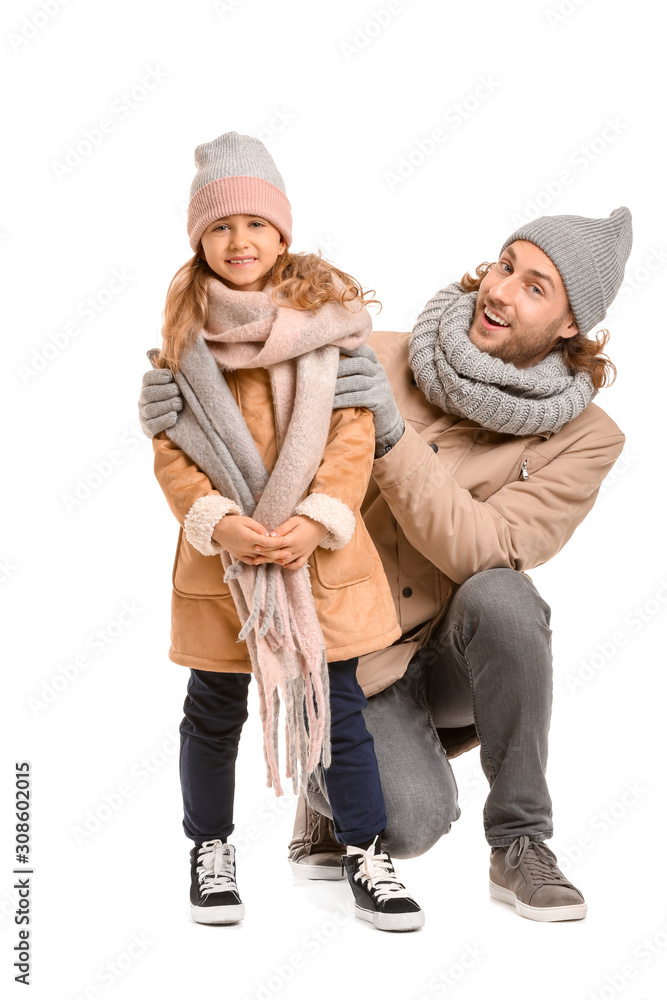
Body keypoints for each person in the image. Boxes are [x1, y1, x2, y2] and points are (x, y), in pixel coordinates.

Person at [140, 198, 631, 923]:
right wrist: (186, 406)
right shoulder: (378, 353)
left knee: (506, 596)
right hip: (351, 649)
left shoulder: (587, 438)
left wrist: (395, 443)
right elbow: (259, 419)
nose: (500, 291)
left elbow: (488, 550)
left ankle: (521, 844)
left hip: (454, 653)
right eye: (505, 265)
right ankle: (333, 790)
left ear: (569, 326)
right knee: (408, 823)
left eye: (535, 287)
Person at [146, 131, 425, 932]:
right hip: (223, 565)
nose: (240, 242)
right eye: (221, 227)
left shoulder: (326, 329)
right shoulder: (181, 341)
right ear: (200, 240)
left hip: (316, 560)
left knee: (339, 707)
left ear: (282, 234)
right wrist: (219, 522)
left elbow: (350, 437)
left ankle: (365, 852)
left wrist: (316, 518)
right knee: (212, 708)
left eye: (256, 225)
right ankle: (210, 849)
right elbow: (170, 450)